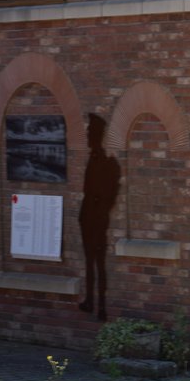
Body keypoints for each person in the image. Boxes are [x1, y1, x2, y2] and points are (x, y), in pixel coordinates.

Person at [78, 114, 120, 321]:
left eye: (89, 132)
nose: (86, 135)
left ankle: (99, 304)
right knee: (92, 262)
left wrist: (97, 212)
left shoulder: (102, 162)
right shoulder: (95, 159)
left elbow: (104, 194)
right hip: (91, 219)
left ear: (96, 135)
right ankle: (92, 301)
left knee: (97, 262)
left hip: (95, 220)